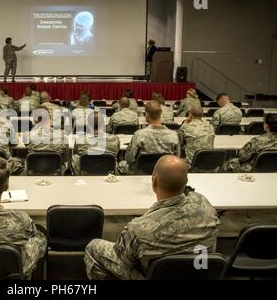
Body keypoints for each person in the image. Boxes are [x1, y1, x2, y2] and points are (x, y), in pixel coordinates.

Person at [85, 155, 220, 280]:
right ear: (186, 182)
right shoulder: (205, 204)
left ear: (154, 182)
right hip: (199, 272)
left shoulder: (138, 229)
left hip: (152, 276)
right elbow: (193, 194)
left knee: (94, 246)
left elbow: (123, 259)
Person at [119, 101, 180, 174]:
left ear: (146, 114)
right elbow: (177, 158)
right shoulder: (173, 135)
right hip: (165, 172)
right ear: (161, 113)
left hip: (140, 172)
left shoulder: (139, 134)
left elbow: (129, 158)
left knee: (120, 165)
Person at [24, 107, 69, 174]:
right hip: (56, 171)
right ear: (49, 119)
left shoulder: (27, 136)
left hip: (33, 171)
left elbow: (27, 147)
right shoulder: (62, 137)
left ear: (34, 120)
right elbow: (65, 158)